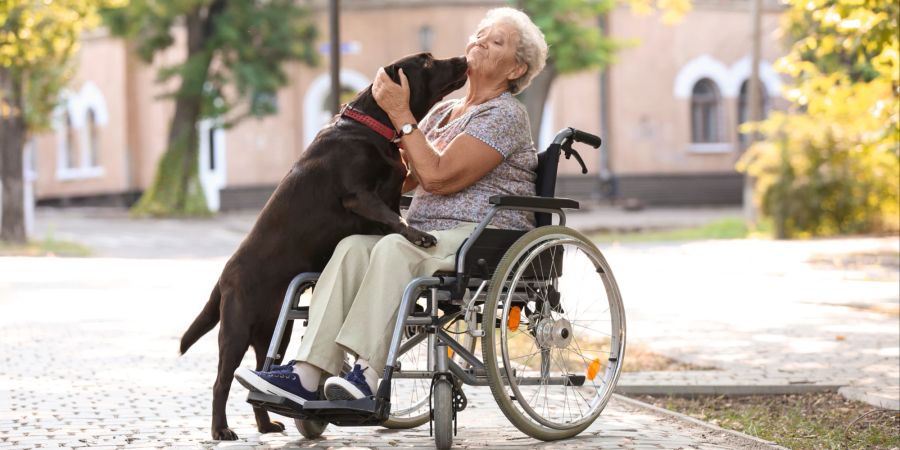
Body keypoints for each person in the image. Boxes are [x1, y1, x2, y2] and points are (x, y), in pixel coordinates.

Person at [235, 7, 548, 404]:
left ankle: (367, 375)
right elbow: (409, 176)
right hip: (429, 235)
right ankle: (308, 373)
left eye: (496, 41)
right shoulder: (444, 113)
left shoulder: (504, 115)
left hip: (481, 234)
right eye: (480, 34)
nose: (480, 42)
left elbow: (437, 176)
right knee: (351, 249)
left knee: (394, 248)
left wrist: (402, 115)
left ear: (516, 70)